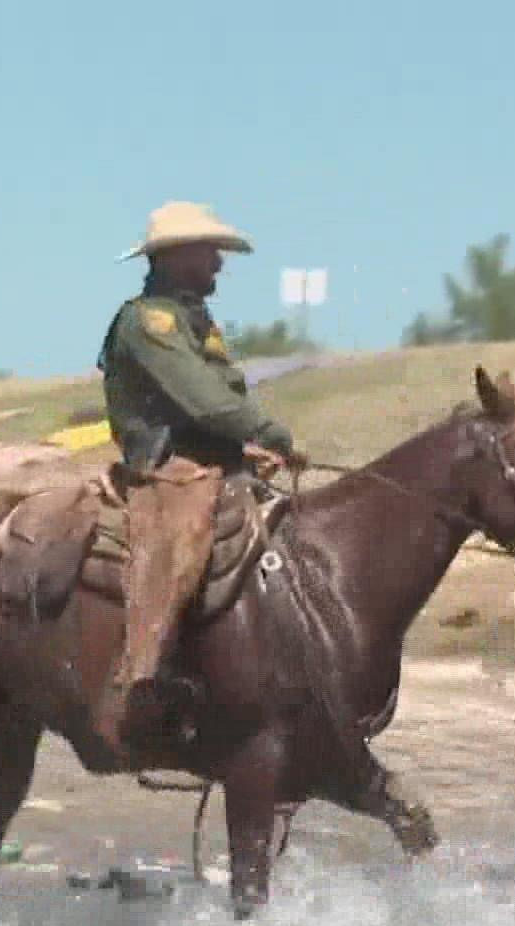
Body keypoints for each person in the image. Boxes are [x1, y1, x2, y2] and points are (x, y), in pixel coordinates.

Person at [93, 201, 303, 757]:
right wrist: (270, 431)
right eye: (208, 253)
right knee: (179, 548)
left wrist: (251, 444)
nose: (218, 264)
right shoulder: (149, 321)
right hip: (166, 465)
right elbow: (203, 399)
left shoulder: (193, 319)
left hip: (215, 457)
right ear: (175, 257)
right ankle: (143, 682)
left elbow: (225, 395)